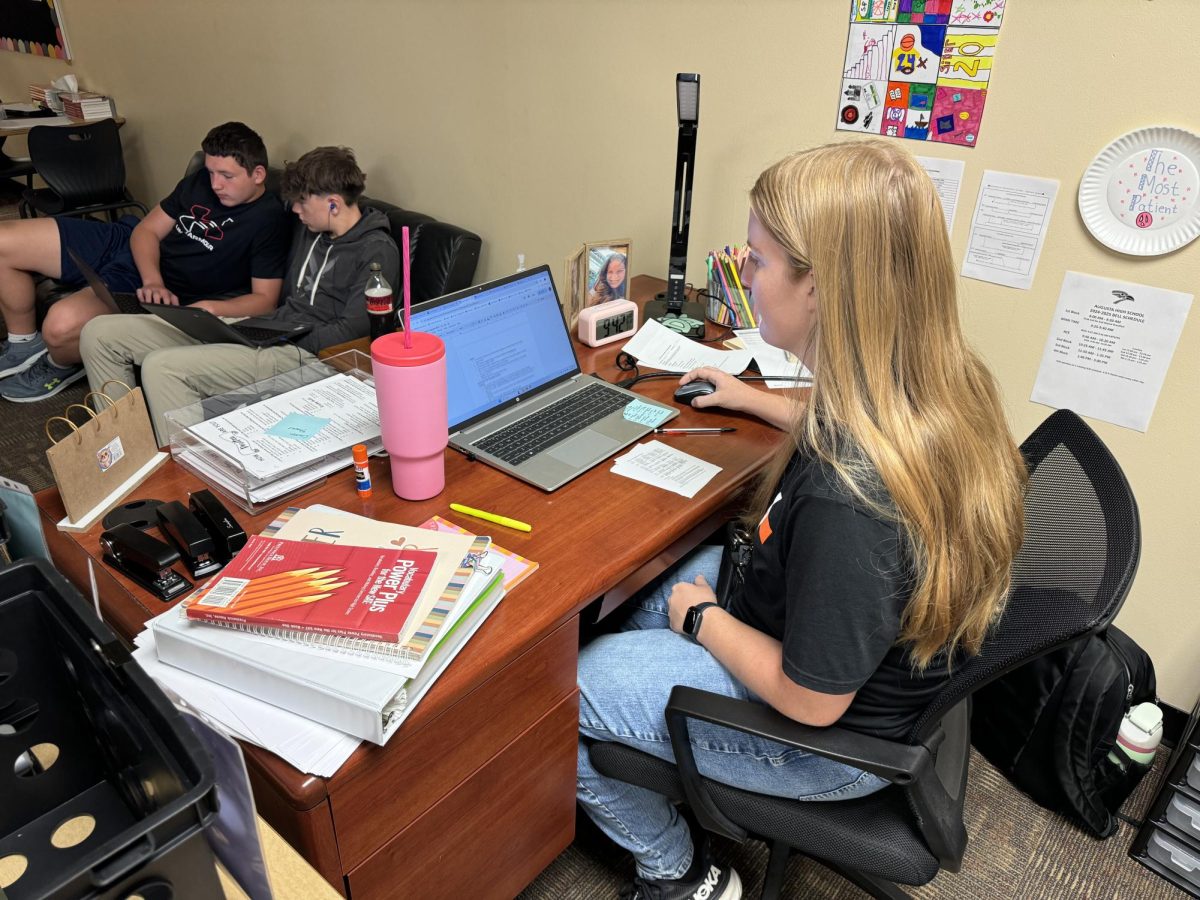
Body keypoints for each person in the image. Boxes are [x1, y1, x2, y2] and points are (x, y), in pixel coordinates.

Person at [576, 140, 1028, 900]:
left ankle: (683, 874)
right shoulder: (934, 382)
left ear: (819, 287)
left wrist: (703, 623)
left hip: (824, 736)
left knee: (563, 695)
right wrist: (751, 398)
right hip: (819, 633)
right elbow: (839, 415)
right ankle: (658, 729)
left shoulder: (852, 501)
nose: (745, 275)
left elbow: (812, 701)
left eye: (756, 259)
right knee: (631, 598)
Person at [80, 145, 400, 444]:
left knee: (163, 368)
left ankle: (187, 481)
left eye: (303, 202)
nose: (296, 210)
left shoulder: (376, 252)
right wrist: (252, 326)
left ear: (333, 203)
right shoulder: (313, 226)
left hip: (307, 353)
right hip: (270, 326)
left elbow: (353, 331)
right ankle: (123, 451)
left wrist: (279, 337)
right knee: (101, 333)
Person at [0, 121, 291, 402]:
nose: (215, 184)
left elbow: (264, 300)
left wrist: (211, 308)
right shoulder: (201, 181)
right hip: (130, 248)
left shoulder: (268, 220)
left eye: (226, 176)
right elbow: (147, 230)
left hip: (144, 288)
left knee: (60, 327)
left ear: (258, 174)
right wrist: (153, 279)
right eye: (211, 172)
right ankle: (22, 342)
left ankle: (58, 364)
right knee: (3, 239)